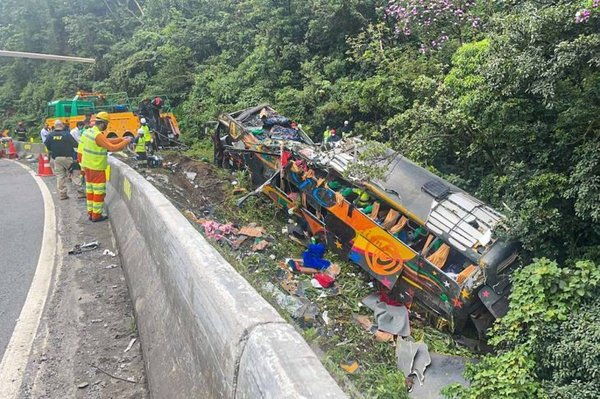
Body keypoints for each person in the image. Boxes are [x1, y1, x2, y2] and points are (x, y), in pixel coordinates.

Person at [81, 112, 131, 222]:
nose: (107, 126)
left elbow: (107, 141)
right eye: (107, 123)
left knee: (90, 191)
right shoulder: (98, 135)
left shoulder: (89, 132)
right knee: (99, 192)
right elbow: (112, 148)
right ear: (103, 123)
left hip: (88, 167)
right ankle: (96, 216)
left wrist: (121, 139)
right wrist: (126, 142)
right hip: (97, 168)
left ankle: (91, 213)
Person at [44, 120, 79, 200]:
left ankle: (63, 194)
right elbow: (75, 144)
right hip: (67, 158)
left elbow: (47, 145)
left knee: (60, 176)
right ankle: (80, 192)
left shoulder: (50, 135)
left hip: (56, 158)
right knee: (75, 173)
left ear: (55, 126)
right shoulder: (66, 134)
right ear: (62, 126)